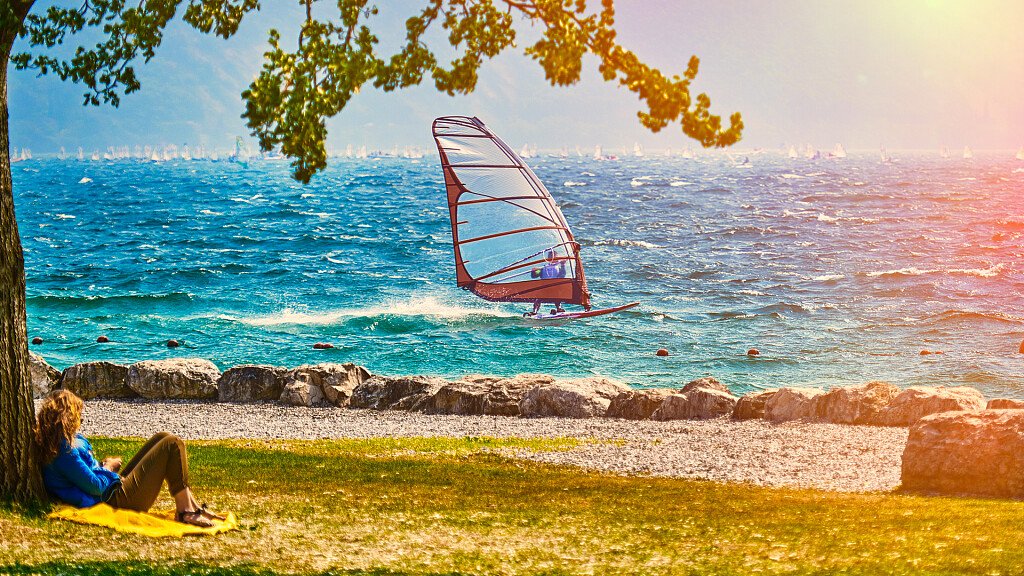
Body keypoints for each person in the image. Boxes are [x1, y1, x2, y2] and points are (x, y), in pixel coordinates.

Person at [36, 389, 224, 527]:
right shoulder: (63, 451)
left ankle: (191, 505)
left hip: (111, 491)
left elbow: (82, 475)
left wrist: (102, 466)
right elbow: (94, 486)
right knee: (172, 443)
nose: (80, 421)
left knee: (164, 437)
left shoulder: (57, 444)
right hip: (114, 501)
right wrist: (108, 467)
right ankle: (185, 512)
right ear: (67, 418)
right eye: (78, 416)